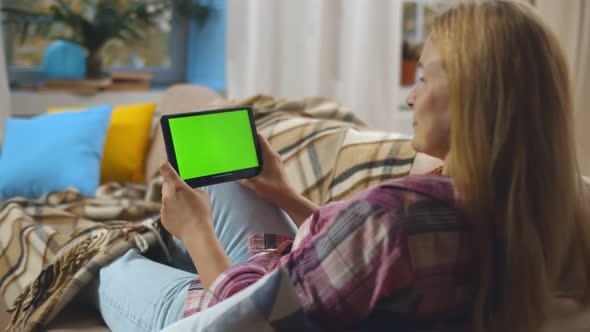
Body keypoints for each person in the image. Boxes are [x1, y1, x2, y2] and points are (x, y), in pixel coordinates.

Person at [91, 1, 590, 331]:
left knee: (110, 263)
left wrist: (197, 232)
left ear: (477, 96)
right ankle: (179, 246)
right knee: (229, 186)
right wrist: (284, 194)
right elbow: (365, 264)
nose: (411, 98)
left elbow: (249, 323)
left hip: (227, 307)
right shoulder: (549, 202)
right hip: (286, 275)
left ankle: (170, 258)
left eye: (423, 78)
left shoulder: (396, 216)